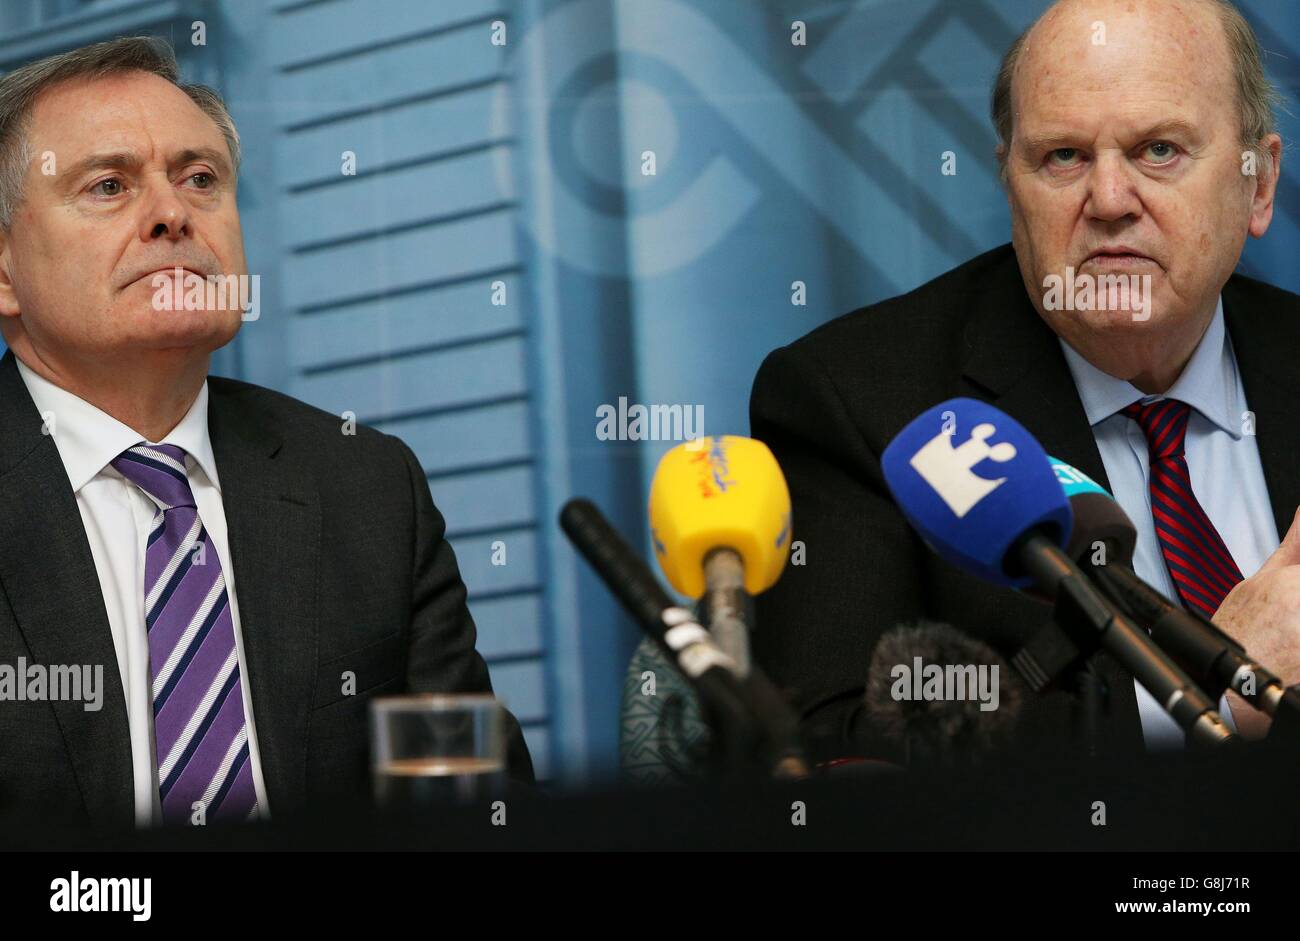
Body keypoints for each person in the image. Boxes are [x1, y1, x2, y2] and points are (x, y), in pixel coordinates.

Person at [0, 36, 532, 831]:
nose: (174, 214)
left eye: (201, 179)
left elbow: (483, 803)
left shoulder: (365, 485)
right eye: (110, 185)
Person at [749, 0, 1300, 759]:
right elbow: (833, 753)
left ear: (1259, 183)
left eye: (1160, 150)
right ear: (1012, 188)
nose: (1109, 201)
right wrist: (1208, 697)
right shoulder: (860, 406)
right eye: (1064, 157)